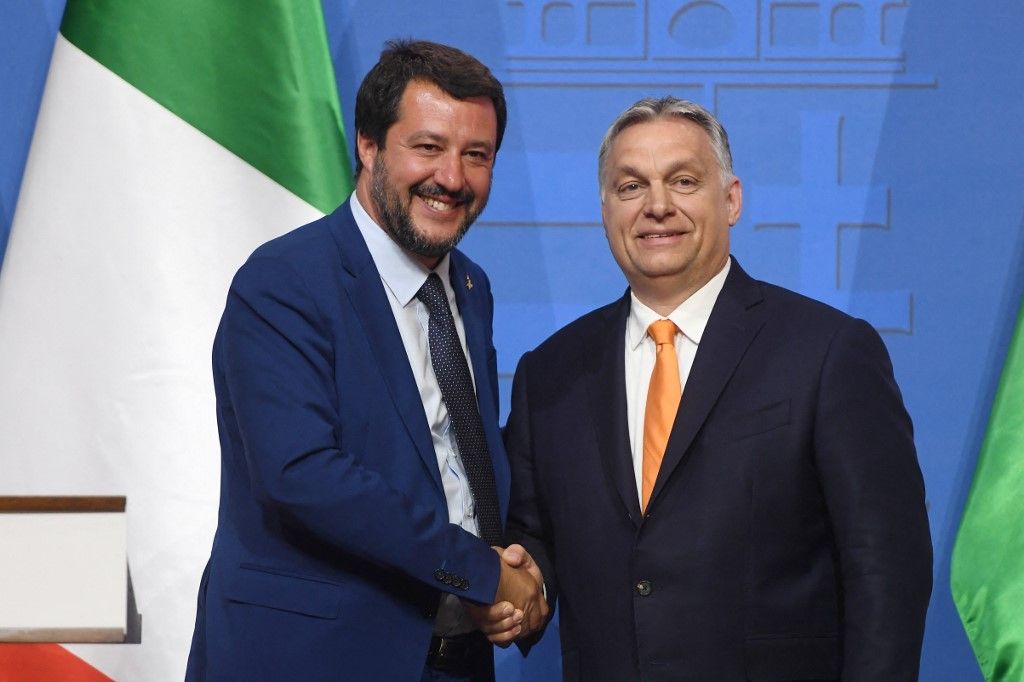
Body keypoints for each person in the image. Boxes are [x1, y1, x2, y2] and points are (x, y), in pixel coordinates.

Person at [504, 97, 933, 681]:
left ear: (730, 199)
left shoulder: (828, 352)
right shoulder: (549, 373)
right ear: (605, 208)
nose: (657, 206)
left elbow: (886, 572)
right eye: (631, 187)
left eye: (683, 181)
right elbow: (535, 545)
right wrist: (517, 586)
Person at [186, 40, 546, 682]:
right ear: (369, 145)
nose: (453, 178)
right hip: (313, 659)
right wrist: (482, 571)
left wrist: (517, 579)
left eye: (477, 155)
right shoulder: (284, 281)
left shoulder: (471, 288)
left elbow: (461, 464)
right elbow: (304, 474)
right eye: (428, 147)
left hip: (455, 660)